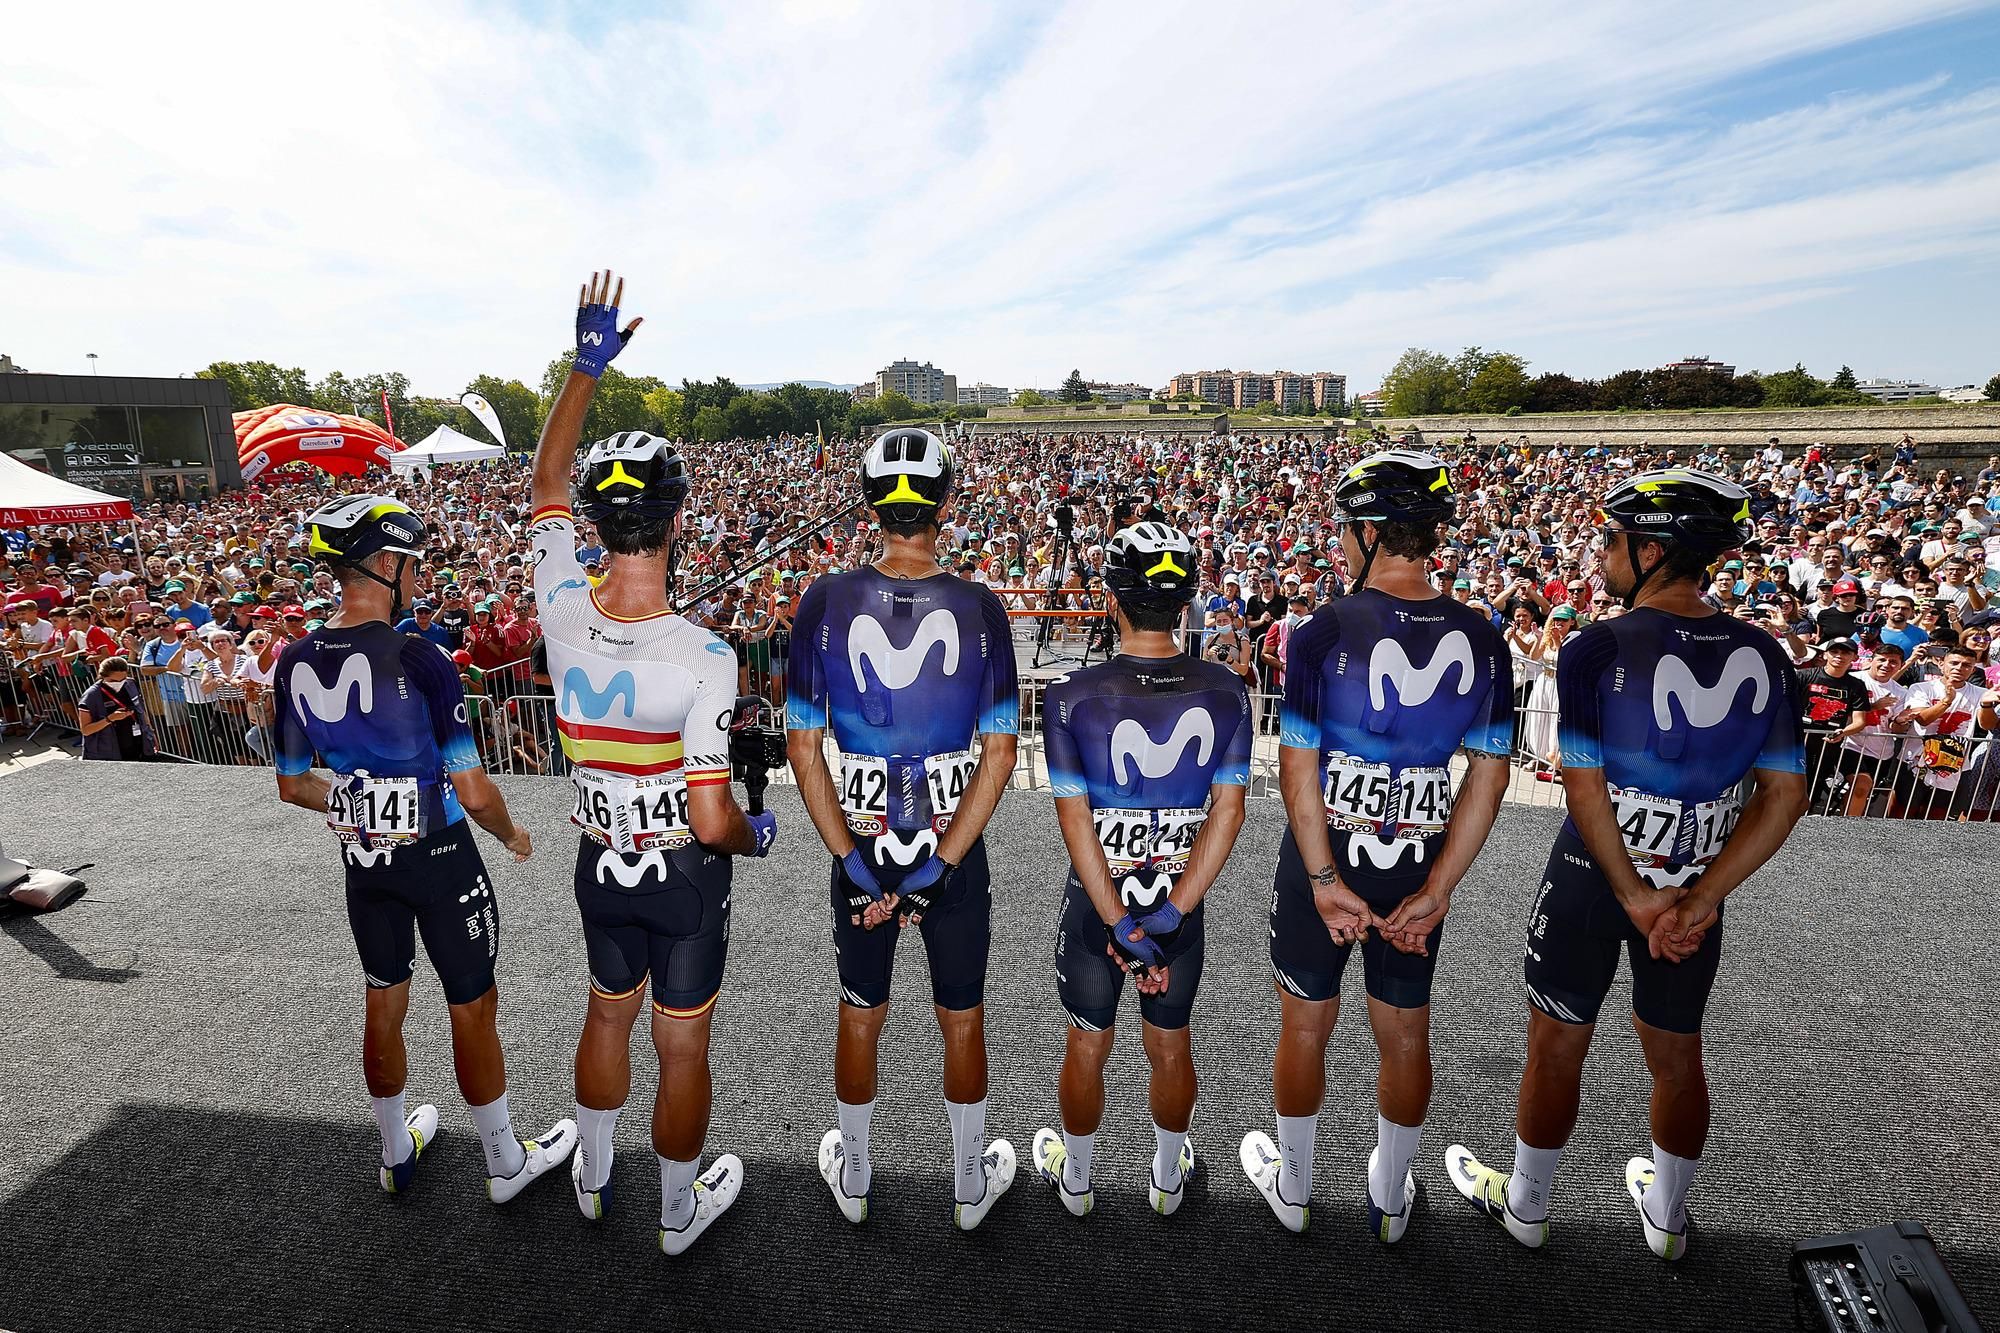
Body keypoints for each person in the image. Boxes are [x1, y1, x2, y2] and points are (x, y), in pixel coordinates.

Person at [1446, 468, 1807, 1263]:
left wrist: (1632, 895)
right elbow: (1785, 794)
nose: (1599, 554)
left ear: (1649, 549)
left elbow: (1582, 787)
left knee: (1555, 1044)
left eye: (1610, 540)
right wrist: (1701, 895)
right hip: (1693, 891)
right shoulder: (1766, 653)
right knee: (1678, 1055)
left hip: (1593, 878)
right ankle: (1669, 1218)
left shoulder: (1593, 647)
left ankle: (1529, 1204)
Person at [532, 271, 775, 1257]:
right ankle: (677, 1212)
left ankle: (593, 1175)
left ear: (596, 522)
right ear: (676, 523)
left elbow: (543, 482)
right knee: (681, 1042)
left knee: (605, 1017)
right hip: (679, 866)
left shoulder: (556, 606)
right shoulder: (706, 657)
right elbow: (716, 818)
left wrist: (583, 368)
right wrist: (755, 834)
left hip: (597, 858)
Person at [270, 495, 576, 1205]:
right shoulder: (423, 658)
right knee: (471, 1005)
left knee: (384, 999)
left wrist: (355, 803)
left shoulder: (294, 657)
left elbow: (292, 785)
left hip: (364, 862)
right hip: (440, 856)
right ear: (385, 565)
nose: (417, 576)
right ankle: (503, 1160)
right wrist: (512, 834)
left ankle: (392, 1148)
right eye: (411, 564)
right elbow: (473, 790)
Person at [1243, 451, 1515, 1242]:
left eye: (1344, 532)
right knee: (1404, 1033)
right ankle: (1391, 1198)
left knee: (1304, 1027)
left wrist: (1323, 875)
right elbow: (1489, 779)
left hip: (1327, 860)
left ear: (1368, 532)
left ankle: (1294, 1189)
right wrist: (1440, 887)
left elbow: (1297, 770)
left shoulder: (1320, 627)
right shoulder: (1484, 637)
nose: (1339, 546)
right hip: (1415, 866)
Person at [786, 426, 1021, 1230]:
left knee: (861, 1012)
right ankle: (966, 1183)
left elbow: (802, 746)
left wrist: (849, 857)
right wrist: (946, 861)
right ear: (946, 505)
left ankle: (854, 1176)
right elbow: (1000, 752)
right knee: (962, 1015)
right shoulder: (981, 606)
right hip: (952, 852)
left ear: (871, 504)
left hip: (860, 847)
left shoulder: (822, 598)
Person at [1029, 523, 1252, 1217]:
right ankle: (1165, 1178)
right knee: (1170, 1042)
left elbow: (1076, 825)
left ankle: (1078, 1181)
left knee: (1088, 1041)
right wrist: (1172, 911)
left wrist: (1118, 920)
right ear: (1185, 603)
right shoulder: (1227, 690)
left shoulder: (1070, 694)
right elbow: (1229, 812)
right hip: (1177, 903)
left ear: (1112, 600)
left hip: (1098, 903)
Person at [76, 656, 157, 760]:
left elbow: (141, 711)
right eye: (114, 680)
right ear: (103, 676)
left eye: (123, 679)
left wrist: (151, 733)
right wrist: (110, 719)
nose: (119, 683)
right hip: (109, 750)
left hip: (138, 743)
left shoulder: (131, 684)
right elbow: (86, 730)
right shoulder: (91, 696)